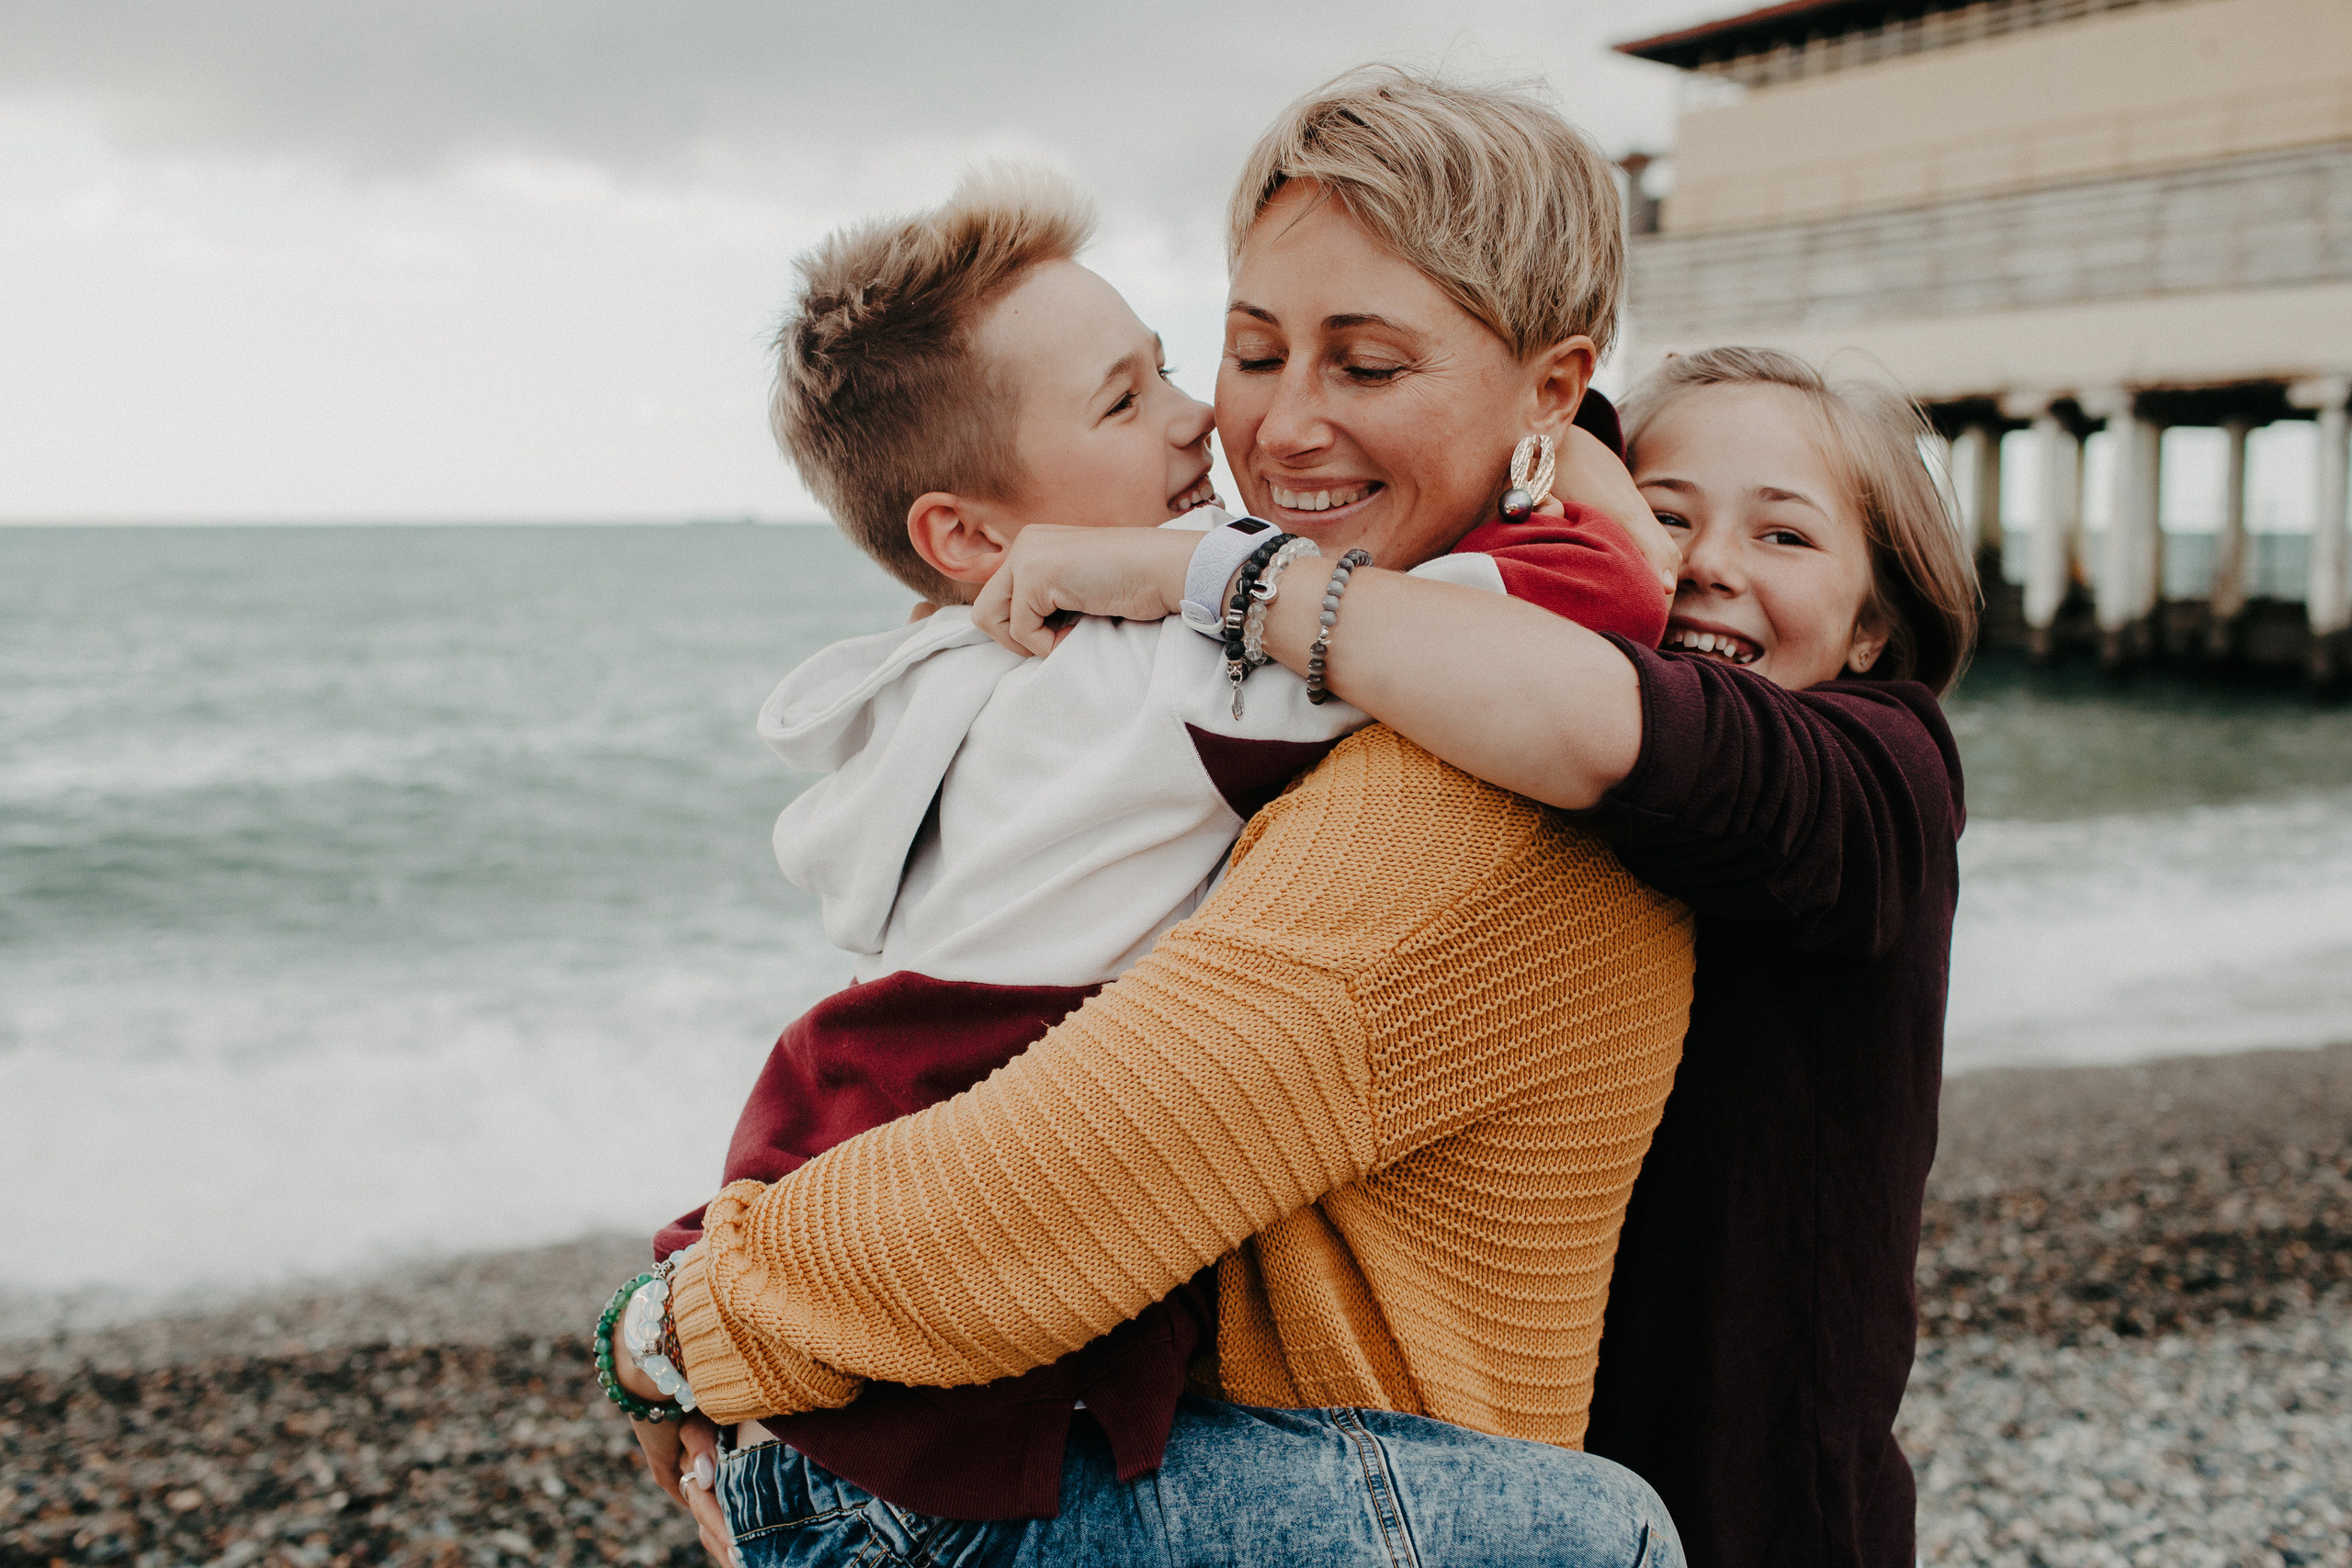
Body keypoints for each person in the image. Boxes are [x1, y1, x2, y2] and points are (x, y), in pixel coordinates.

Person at [606, 67, 1704, 1567]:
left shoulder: (1080, 654)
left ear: (1551, 378)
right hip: (934, 1417)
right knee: (1608, 1545)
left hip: (893, 1305)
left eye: (1367, 366)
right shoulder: (1198, 675)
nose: (1244, 426)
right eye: (1248, 354)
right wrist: (675, 1328)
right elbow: (1594, 603)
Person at [978, 343, 1979, 1568]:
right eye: (1671, 516)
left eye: (1787, 538)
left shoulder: (1883, 777)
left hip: (1749, 1515)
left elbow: (1652, 738)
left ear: (1877, 625)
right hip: (1492, 1493)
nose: (1710, 563)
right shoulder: (1490, 750)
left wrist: (1206, 573)